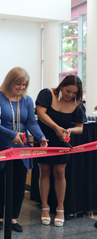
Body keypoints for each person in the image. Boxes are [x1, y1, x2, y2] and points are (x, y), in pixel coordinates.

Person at [0, 67, 48, 232]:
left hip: (21, 148)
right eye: (18, 84)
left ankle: (13, 217)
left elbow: (31, 123)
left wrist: (41, 137)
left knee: (19, 182)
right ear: (10, 81)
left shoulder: (27, 100)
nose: (21, 88)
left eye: (24, 85)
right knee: (1, 182)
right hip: (1, 145)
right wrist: (11, 135)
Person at [36, 75, 86, 227]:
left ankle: (60, 208)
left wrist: (69, 130)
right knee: (44, 172)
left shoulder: (77, 104)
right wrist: (56, 128)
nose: (69, 95)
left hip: (62, 141)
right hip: (45, 139)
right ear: (62, 86)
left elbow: (80, 128)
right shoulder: (47, 94)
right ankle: (45, 208)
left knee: (60, 173)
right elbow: (41, 113)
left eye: (73, 93)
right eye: (68, 90)